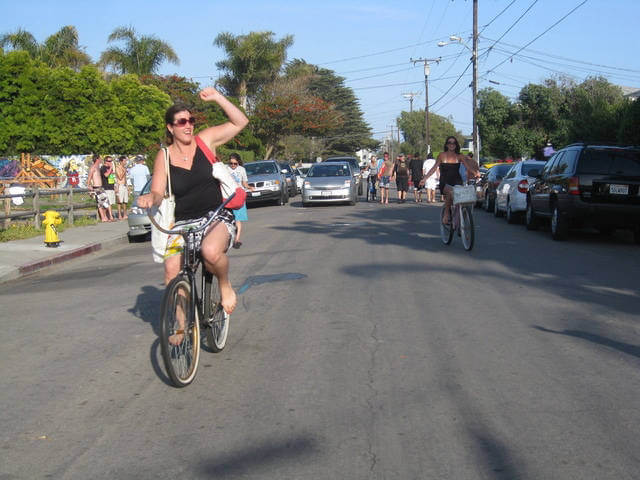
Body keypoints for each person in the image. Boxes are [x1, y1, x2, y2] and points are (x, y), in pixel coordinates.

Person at [137, 87, 248, 323]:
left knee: (210, 251)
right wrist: (150, 198)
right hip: (183, 223)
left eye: (191, 120)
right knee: (171, 270)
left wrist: (218, 97)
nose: (188, 125)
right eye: (182, 122)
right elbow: (157, 191)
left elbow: (240, 122)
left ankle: (225, 285)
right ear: (170, 128)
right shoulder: (164, 156)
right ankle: (180, 322)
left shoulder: (205, 141)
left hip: (215, 216)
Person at [419, 136, 479, 223]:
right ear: (447, 145)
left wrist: (475, 172)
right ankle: (447, 213)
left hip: (457, 181)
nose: (452, 145)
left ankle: (462, 222)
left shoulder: (460, 156)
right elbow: (433, 168)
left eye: (454, 143)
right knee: (451, 192)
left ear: (456, 145)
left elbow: (468, 167)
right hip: (445, 181)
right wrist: (424, 178)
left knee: (464, 199)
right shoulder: (442, 155)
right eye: (450, 143)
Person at [227, 153, 253, 249]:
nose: (233, 165)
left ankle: (237, 240)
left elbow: (244, 183)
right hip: (228, 196)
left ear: (238, 163)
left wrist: (249, 187)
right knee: (228, 218)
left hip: (239, 196)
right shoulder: (225, 169)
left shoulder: (242, 170)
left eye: (235, 164)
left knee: (238, 219)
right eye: (231, 163)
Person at [87, 154, 110, 222]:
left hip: (101, 187)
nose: (101, 160)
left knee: (105, 203)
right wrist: (89, 186)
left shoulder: (98, 167)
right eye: (100, 158)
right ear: (97, 159)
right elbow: (89, 178)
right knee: (101, 203)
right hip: (96, 187)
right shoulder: (93, 167)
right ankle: (103, 217)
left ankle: (104, 216)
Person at [100, 156, 116, 221]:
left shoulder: (110, 168)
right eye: (109, 161)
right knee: (107, 203)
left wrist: (115, 185)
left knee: (111, 203)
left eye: (111, 161)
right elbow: (106, 175)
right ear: (105, 161)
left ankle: (107, 216)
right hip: (106, 187)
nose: (110, 162)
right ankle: (109, 216)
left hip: (111, 186)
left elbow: (112, 177)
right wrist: (110, 168)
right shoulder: (103, 168)